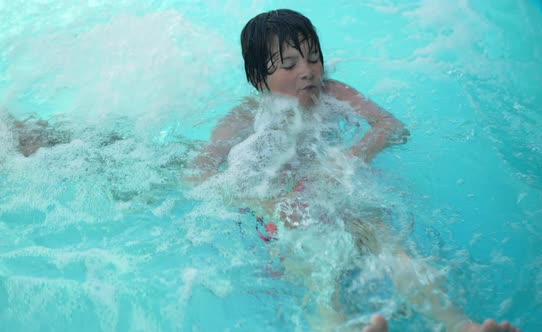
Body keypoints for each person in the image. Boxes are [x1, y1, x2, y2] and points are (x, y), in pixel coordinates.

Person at [191, 9, 520, 332]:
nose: (307, 71)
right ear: (258, 78)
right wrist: (263, 203)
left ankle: (461, 326)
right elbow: (200, 171)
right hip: (286, 211)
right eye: (290, 65)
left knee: (393, 248)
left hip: (341, 197)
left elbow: (392, 126)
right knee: (321, 280)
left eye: (313, 57)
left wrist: (353, 154)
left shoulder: (333, 93)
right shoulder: (246, 116)